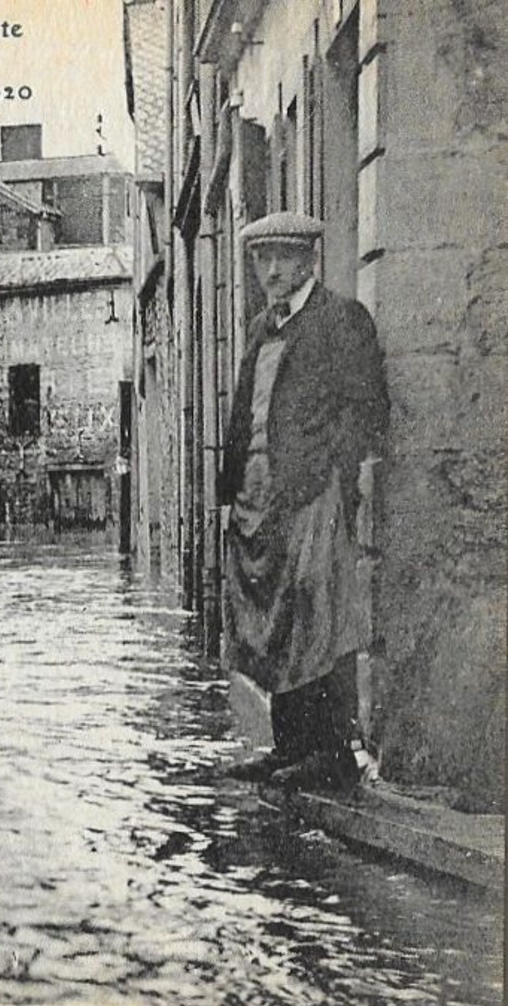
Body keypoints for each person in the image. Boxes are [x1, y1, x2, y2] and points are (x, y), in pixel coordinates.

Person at [218, 212, 389, 791]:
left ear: (309, 261)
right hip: (259, 498)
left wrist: (329, 473)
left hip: (313, 494)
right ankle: (289, 745)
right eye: (262, 259)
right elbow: (245, 414)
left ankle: (333, 752)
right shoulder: (262, 329)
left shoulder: (341, 321)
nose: (271, 270)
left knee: (319, 618)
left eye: (284, 258)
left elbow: (366, 407)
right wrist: (230, 489)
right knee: (273, 622)